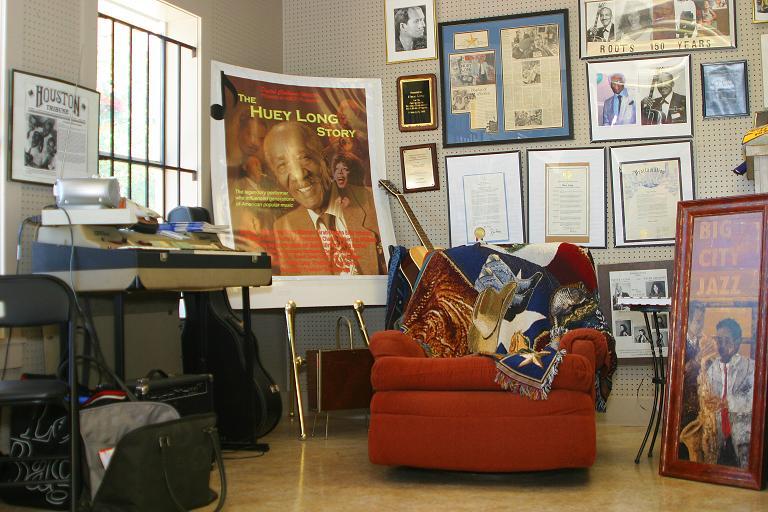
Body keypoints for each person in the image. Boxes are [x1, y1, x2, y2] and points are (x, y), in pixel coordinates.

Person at [263, 121, 386, 276]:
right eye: (282, 166)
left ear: (324, 159)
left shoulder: (373, 202)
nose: (299, 175)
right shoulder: (284, 228)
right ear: (276, 177)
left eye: (305, 158)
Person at [704, 318, 755, 468]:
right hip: (717, 438)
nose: (722, 346)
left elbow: (754, 400)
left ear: (738, 342)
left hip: (743, 437)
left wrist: (728, 402)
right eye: (719, 340)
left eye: (727, 341)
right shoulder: (712, 369)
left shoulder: (751, 367)